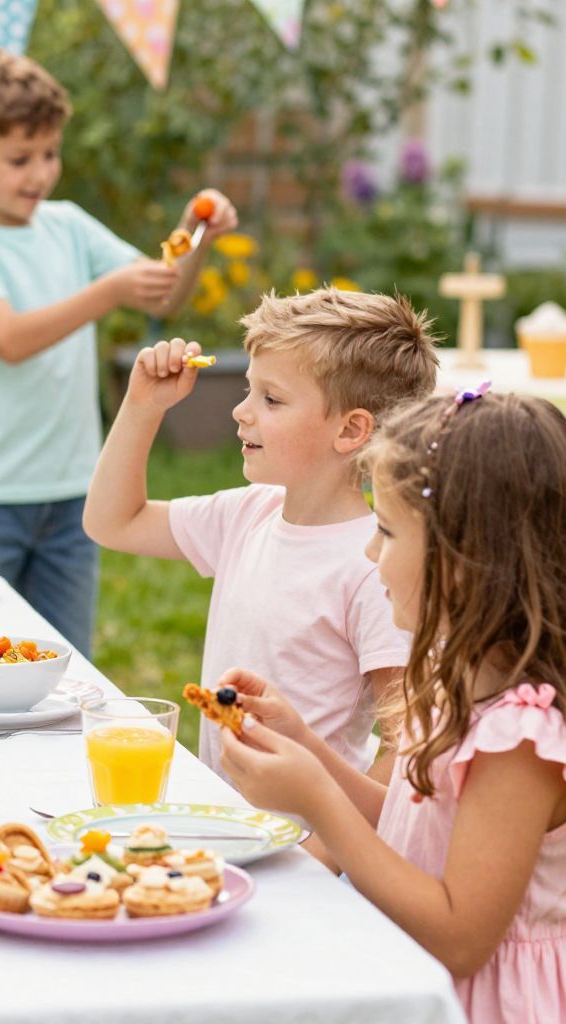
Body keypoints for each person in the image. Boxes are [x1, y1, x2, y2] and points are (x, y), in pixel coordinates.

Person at [220, 389, 566, 1022]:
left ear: (464, 559)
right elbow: (420, 832)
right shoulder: (458, 680)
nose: (368, 553)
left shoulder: (521, 737)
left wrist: (318, 805)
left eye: (385, 530)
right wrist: (309, 749)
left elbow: (461, 937)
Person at [0, 45, 235, 656]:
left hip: (73, 492)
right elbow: (9, 339)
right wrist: (108, 291)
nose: (39, 173)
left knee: (67, 664)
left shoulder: (66, 224)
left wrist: (197, 235)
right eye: (19, 159)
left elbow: (161, 292)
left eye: (49, 154)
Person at [85, 289, 437, 780]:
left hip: (305, 846)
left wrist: (322, 849)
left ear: (352, 430)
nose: (241, 411)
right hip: (230, 827)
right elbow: (112, 522)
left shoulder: (376, 567)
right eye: (249, 391)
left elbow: (406, 747)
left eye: (270, 398)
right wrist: (143, 407)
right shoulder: (247, 514)